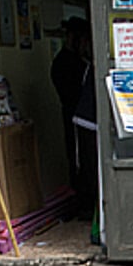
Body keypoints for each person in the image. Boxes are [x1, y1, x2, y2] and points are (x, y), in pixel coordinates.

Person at [50, 17, 91, 193]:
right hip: (76, 118)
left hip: (86, 120)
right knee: (78, 158)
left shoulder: (82, 62)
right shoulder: (63, 63)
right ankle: (83, 199)